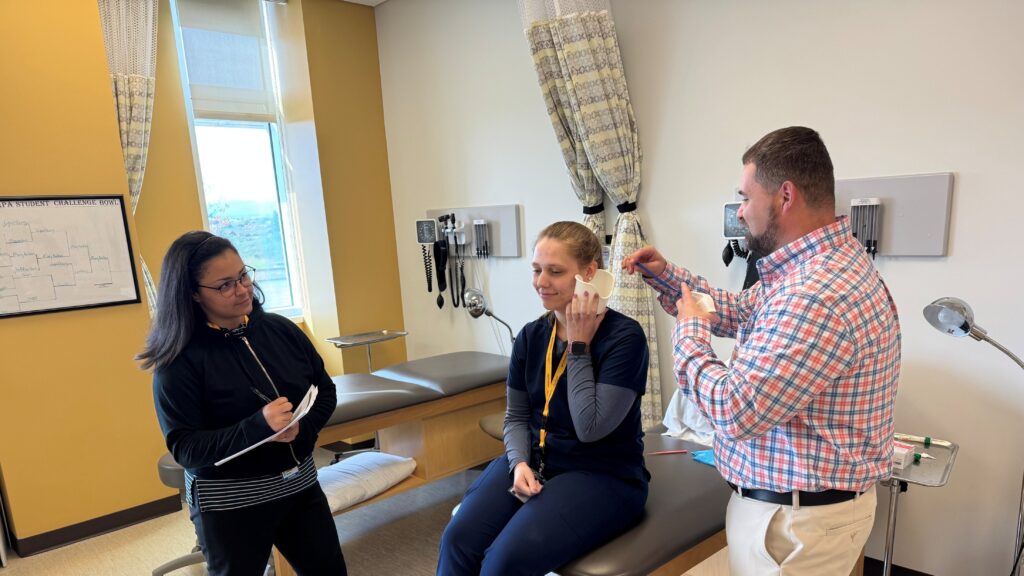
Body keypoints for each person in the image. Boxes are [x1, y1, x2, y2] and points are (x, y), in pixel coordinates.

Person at [624, 126, 901, 575]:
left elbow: (735, 410)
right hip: (796, 513)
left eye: (745, 197)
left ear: (785, 196)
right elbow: (743, 311)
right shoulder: (814, 267)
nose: (740, 211)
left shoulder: (817, 292)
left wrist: (690, 334)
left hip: (797, 523)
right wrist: (670, 280)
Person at [437, 221, 650, 576]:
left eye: (555, 271)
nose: (541, 282)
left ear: (588, 273)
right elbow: (517, 417)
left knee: (503, 564)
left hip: (602, 474)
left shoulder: (624, 338)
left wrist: (579, 345)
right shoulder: (531, 336)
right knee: (458, 539)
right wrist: (518, 463)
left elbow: (590, 427)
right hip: (535, 462)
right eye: (537, 270)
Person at [138, 231, 346, 576]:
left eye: (243, 276)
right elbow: (186, 449)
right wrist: (258, 426)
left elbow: (325, 391)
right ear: (192, 294)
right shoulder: (178, 363)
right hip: (231, 506)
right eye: (224, 285)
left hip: (299, 487)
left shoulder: (280, 330)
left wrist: (302, 428)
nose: (242, 289)